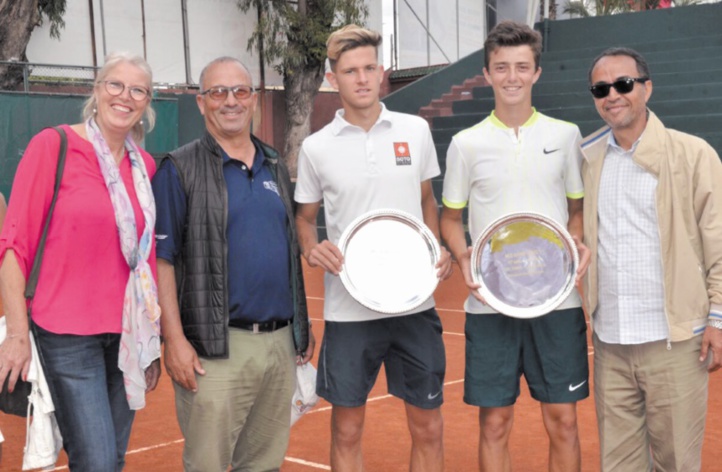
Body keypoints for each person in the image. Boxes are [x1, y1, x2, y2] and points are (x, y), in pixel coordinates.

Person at [294, 24, 453, 472]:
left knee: (429, 427)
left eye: (369, 68)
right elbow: (304, 220)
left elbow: (426, 199)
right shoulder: (315, 148)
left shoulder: (415, 130)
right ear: (333, 78)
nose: (361, 79)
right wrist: (312, 248)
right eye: (350, 71)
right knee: (346, 430)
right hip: (349, 311)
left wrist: (437, 244)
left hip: (414, 305)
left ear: (382, 72)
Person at [439, 21, 591, 472]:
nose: (511, 77)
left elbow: (576, 211)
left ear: (536, 73)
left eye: (521, 67)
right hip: (491, 303)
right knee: (495, 423)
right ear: (486, 74)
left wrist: (576, 240)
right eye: (501, 67)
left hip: (558, 301)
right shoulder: (465, 145)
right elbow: (450, 219)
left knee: (563, 421)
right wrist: (464, 254)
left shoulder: (565, 136)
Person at [0, 52, 161, 471]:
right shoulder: (54, 145)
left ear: (147, 102)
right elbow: (15, 247)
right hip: (67, 335)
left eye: (138, 90)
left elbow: (147, 257)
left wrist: (152, 341)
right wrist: (17, 334)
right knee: (97, 461)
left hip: (128, 336)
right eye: (115, 84)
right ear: (97, 89)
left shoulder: (144, 167)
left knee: (113, 458)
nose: (125, 96)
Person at [152, 56, 313, 472]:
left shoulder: (274, 164)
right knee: (208, 465)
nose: (231, 101)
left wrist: (300, 331)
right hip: (214, 348)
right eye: (218, 92)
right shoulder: (178, 168)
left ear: (254, 100)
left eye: (240, 91)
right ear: (200, 102)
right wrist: (175, 340)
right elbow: (161, 261)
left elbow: (289, 252)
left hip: (278, 345)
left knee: (264, 465)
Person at [581, 46, 722, 472]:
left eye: (623, 84)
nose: (613, 95)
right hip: (611, 344)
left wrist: (718, 319)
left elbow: (718, 240)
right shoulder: (587, 157)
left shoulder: (693, 154)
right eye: (601, 88)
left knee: (677, 462)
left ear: (647, 88)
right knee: (617, 464)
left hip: (675, 343)